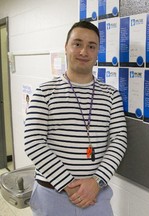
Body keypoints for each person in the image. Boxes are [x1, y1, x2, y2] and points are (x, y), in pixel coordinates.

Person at [24, 21, 127, 216]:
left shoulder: (111, 95)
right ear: (66, 47)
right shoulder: (44, 92)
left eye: (91, 46)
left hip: (96, 194)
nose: (84, 52)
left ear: (97, 52)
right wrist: (67, 184)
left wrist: (96, 182)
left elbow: (119, 141)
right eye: (77, 44)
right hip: (51, 194)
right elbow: (33, 142)